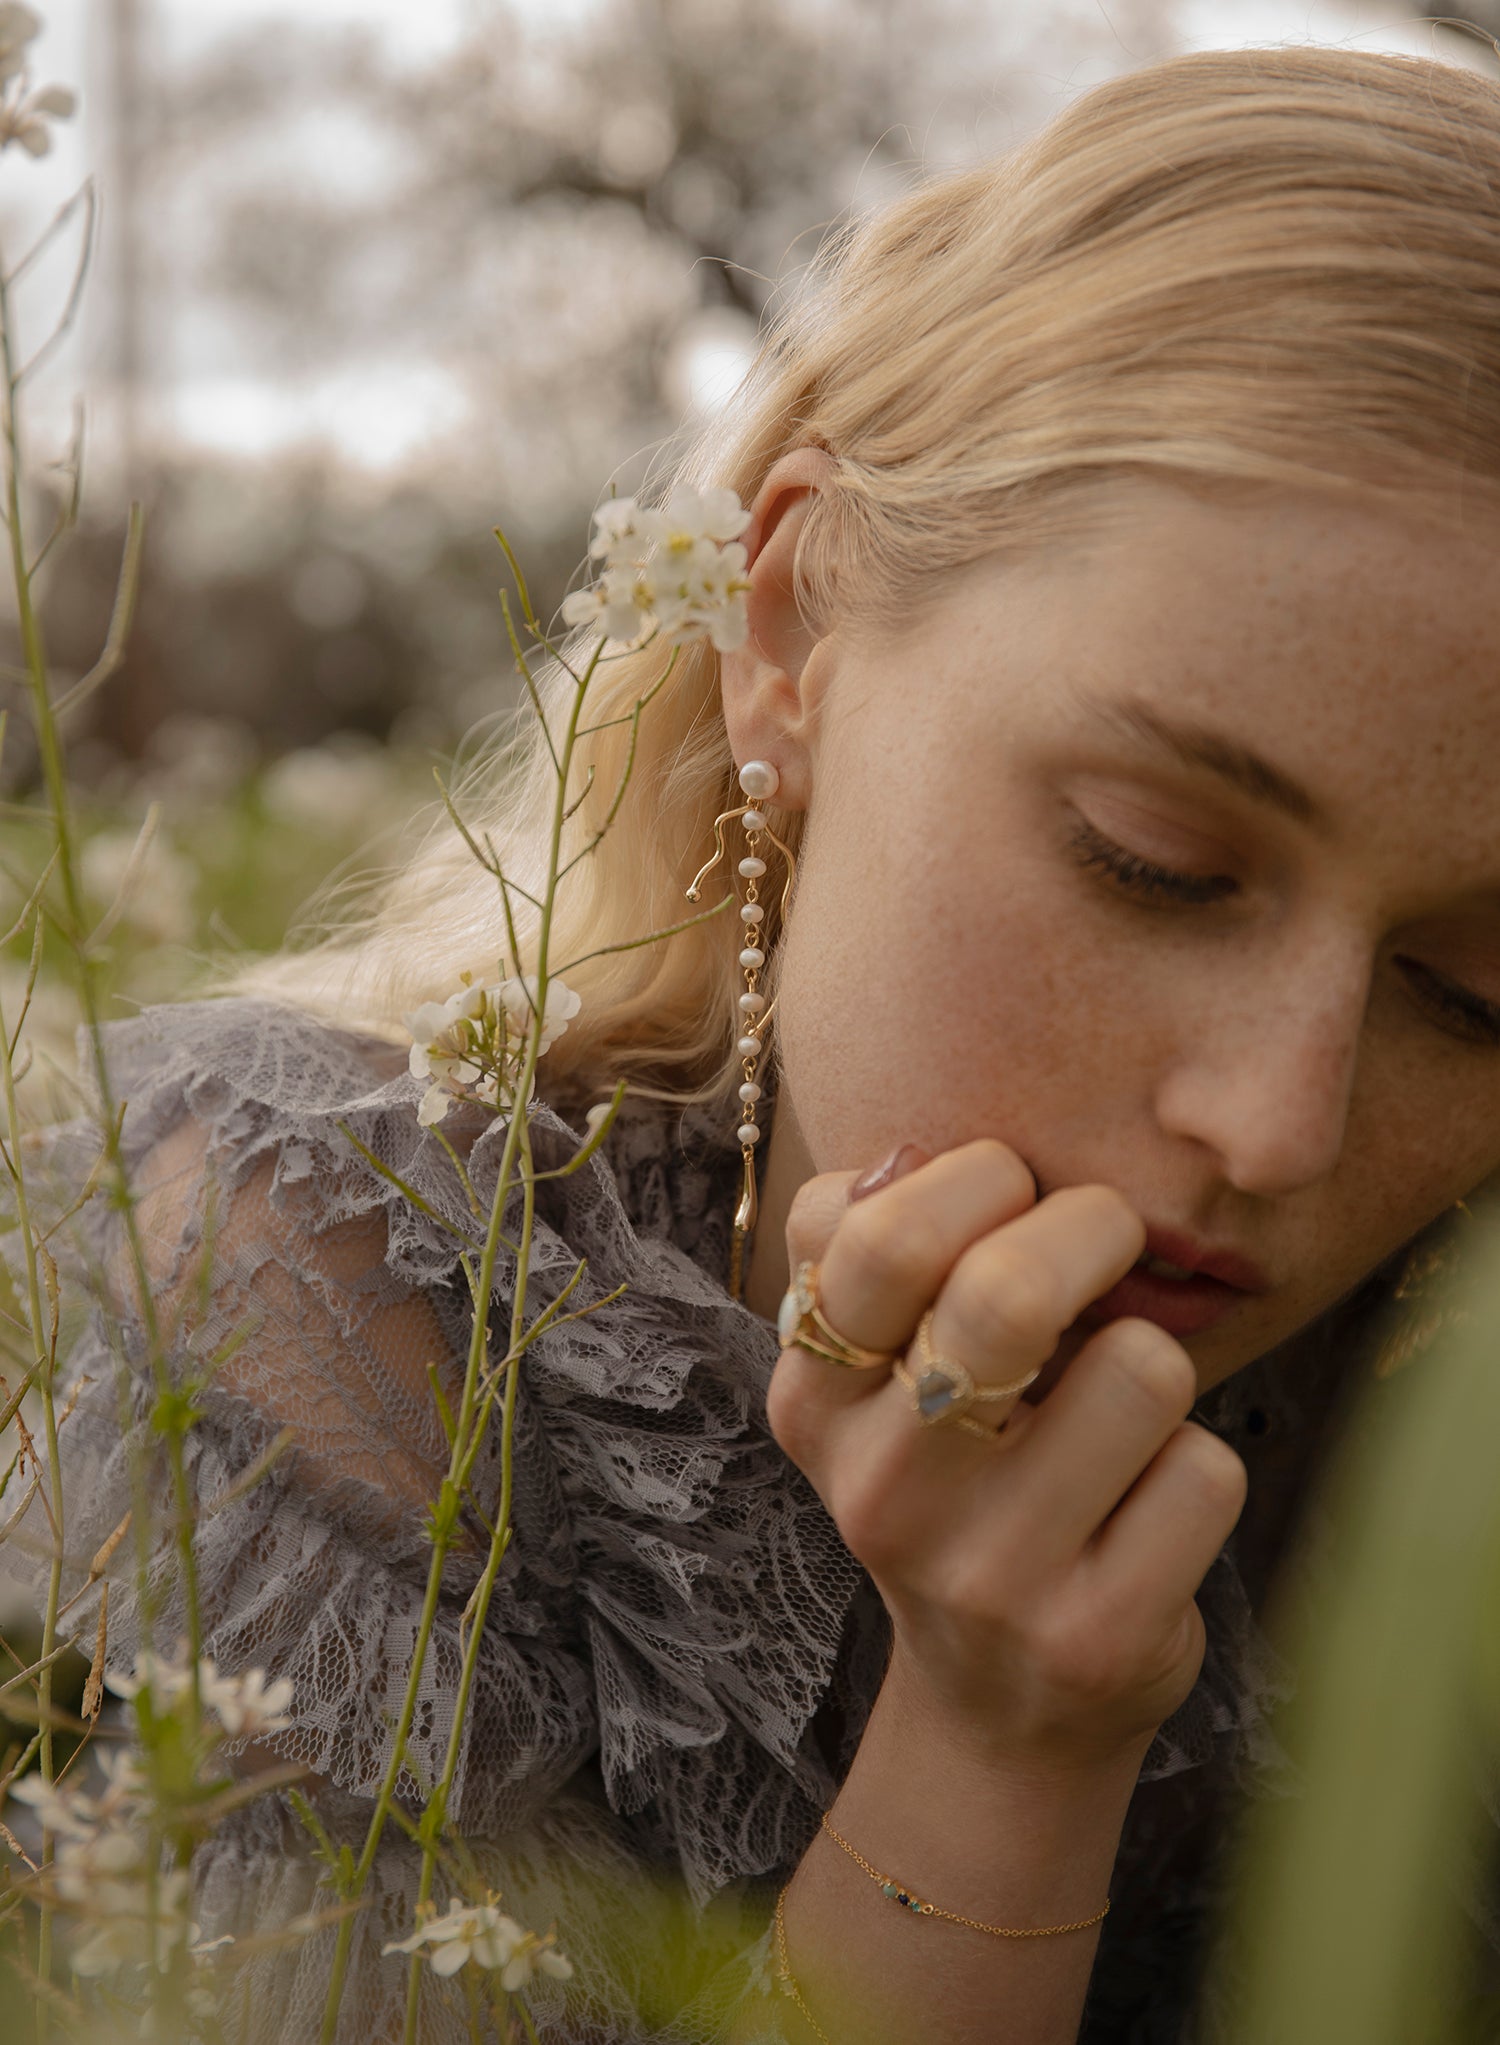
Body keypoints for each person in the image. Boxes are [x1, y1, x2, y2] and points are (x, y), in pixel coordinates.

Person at [21, 37, 1500, 2045]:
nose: (1275, 1125)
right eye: (1153, 863)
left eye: (1473, 992)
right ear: (789, 635)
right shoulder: (305, 1279)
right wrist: (999, 1763)